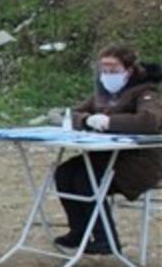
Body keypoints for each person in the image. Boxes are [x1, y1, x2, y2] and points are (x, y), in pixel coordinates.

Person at [54, 45, 162, 254]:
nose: (108, 75)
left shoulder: (146, 92)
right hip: (109, 156)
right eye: (104, 69)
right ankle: (80, 230)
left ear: (128, 70)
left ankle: (106, 239)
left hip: (140, 162)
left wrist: (109, 122)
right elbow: (74, 113)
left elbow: (149, 121)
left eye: (113, 69)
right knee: (65, 173)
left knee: (88, 179)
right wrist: (87, 119)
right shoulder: (103, 94)